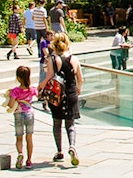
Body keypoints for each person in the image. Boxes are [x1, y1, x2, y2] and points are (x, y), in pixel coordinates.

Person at [40, 32, 83, 166]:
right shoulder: (74, 59)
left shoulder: (53, 59)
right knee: (70, 124)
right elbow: (80, 79)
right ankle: (72, 146)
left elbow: (49, 77)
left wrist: (40, 87)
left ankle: (59, 151)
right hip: (71, 93)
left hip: (57, 95)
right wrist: (78, 89)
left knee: (57, 123)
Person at [5, 65, 38, 169]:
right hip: (29, 114)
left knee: (19, 138)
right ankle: (29, 160)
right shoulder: (32, 89)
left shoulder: (15, 91)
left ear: (18, 78)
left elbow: (10, 105)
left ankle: (20, 153)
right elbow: (38, 95)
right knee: (29, 137)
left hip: (18, 114)